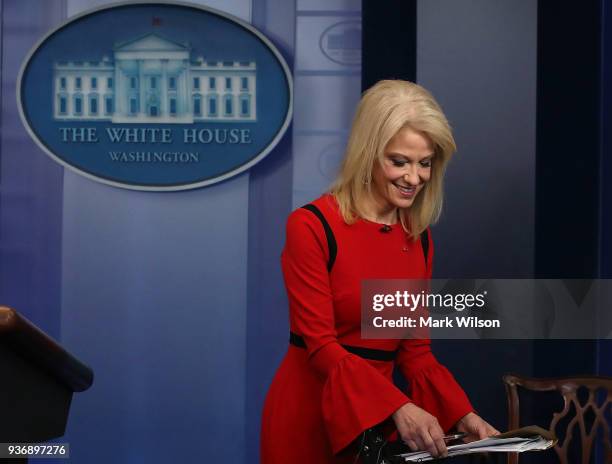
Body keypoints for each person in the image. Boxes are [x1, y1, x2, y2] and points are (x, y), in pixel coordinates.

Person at [260, 80, 498, 464]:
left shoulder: (417, 237)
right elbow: (320, 347)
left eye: (425, 163)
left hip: (380, 421)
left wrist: (462, 415)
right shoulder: (311, 226)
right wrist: (397, 407)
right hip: (309, 417)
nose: (414, 178)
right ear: (367, 154)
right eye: (399, 161)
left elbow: (415, 353)